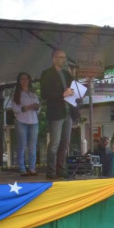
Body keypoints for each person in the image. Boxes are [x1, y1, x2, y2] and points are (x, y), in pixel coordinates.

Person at [41, 49, 75, 179]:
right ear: (54, 58)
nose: (63, 60)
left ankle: (61, 169)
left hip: (68, 112)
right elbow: (44, 94)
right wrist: (62, 94)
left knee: (65, 143)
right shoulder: (47, 74)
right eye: (61, 57)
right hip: (56, 112)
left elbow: (74, 89)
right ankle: (50, 171)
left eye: (64, 57)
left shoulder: (67, 74)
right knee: (55, 143)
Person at [10, 72, 41, 176]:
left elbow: (38, 109)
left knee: (32, 146)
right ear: (19, 81)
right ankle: (22, 168)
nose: (24, 80)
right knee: (22, 146)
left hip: (34, 121)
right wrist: (28, 107)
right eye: (22, 79)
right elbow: (15, 109)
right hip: (21, 121)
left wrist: (36, 107)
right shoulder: (16, 93)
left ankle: (32, 168)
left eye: (26, 78)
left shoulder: (33, 93)